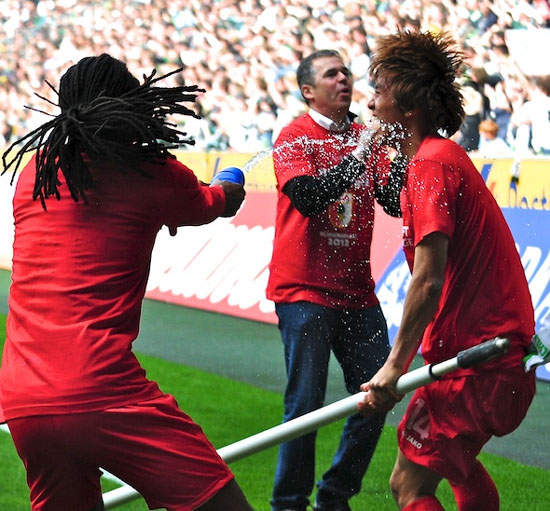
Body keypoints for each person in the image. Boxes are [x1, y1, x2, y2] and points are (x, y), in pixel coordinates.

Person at [0, 54, 252, 511]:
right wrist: (227, 181)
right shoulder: (149, 170)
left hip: (24, 398)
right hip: (103, 390)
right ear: (132, 104)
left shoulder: (35, 172)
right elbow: (217, 202)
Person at [358, 31, 536, 511]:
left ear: (407, 107)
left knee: (410, 485)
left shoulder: (432, 165)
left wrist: (394, 365)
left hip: (479, 359)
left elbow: (427, 279)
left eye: (379, 92)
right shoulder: (436, 159)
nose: (370, 104)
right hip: (488, 354)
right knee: (454, 465)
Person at [266, 49, 404, 511]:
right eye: (332, 74)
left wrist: (405, 150)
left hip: (357, 294)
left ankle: (334, 496)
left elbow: (393, 201)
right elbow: (308, 197)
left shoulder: (366, 137)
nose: (344, 78)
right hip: (303, 291)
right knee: (305, 406)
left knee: (381, 395)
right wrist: (362, 154)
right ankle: (289, 504)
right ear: (308, 90)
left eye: (346, 71)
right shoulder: (294, 137)